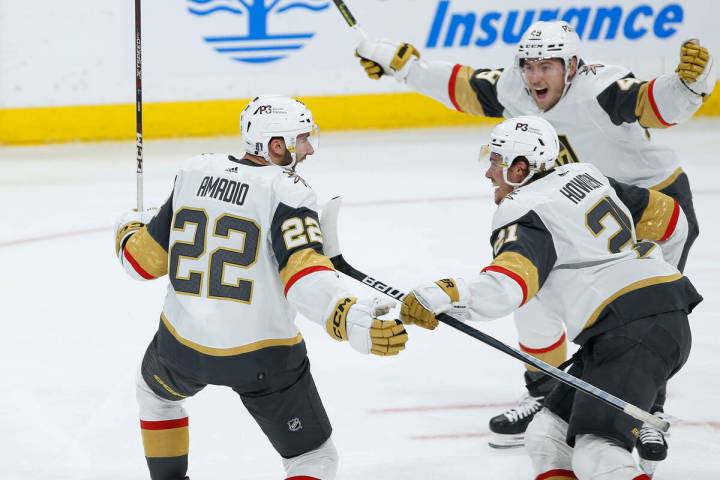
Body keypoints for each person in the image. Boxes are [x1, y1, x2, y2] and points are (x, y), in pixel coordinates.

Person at [354, 19, 714, 460]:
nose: (535, 75)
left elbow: (654, 102)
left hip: (645, 202)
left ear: (574, 65)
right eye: (529, 64)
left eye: (547, 65)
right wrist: (399, 65)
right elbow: (463, 86)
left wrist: (689, 84)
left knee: (640, 310)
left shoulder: (600, 88)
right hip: (574, 203)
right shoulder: (515, 89)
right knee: (534, 295)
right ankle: (547, 391)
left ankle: (642, 408)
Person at [113, 95, 409, 480]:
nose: (307, 149)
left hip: (180, 349)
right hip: (261, 360)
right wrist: (349, 317)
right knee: (313, 460)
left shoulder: (194, 171)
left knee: (155, 396)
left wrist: (129, 228)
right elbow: (305, 279)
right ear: (275, 145)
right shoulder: (287, 191)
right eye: (300, 139)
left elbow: (142, 263)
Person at [399, 115, 701, 480]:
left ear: (520, 167)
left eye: (496, 161)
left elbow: (508, 287)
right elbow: (670, 218)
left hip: (630, 332)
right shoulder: (584, 175)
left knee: (597, 451)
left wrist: (443, 292)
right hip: (627, 329)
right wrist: (658, 281)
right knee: (547, 438)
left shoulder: (523, 207)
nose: (488, 173)